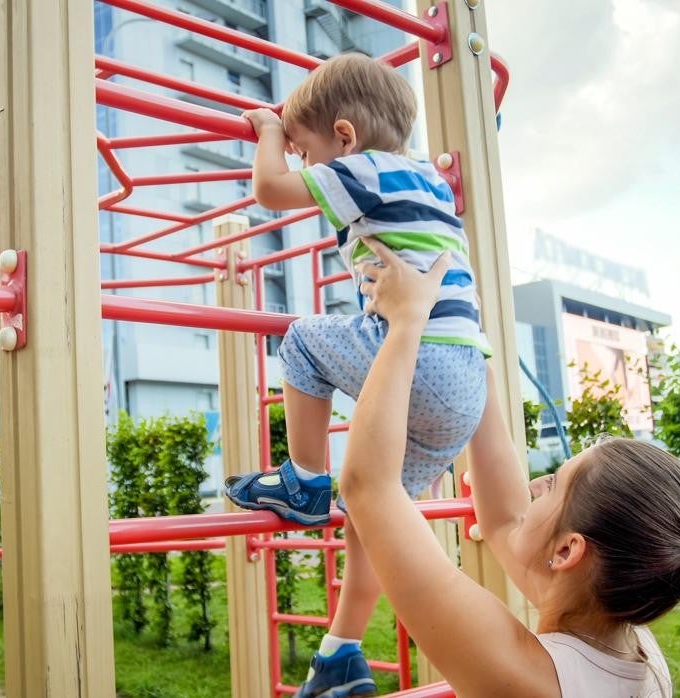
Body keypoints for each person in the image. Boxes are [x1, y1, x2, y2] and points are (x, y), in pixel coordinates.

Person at [339, 240, 680, 697]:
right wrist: (467, 346)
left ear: (568, 551)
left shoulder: (527, 679)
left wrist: (407, 322)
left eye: (553, 484)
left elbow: (370, 487)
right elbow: (504, 521)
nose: (534, 484)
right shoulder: (637, 652)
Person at [224, 54, 489, 696]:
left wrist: (269, 130)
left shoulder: (361, 167)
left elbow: (268, 191)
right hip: (466, 387)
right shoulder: (427, 178)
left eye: (308, 152)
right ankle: (341, 653)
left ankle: (304, 480)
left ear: (344, 136)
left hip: (418, 357)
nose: (308, 167)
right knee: (377, 509)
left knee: (303, 341)